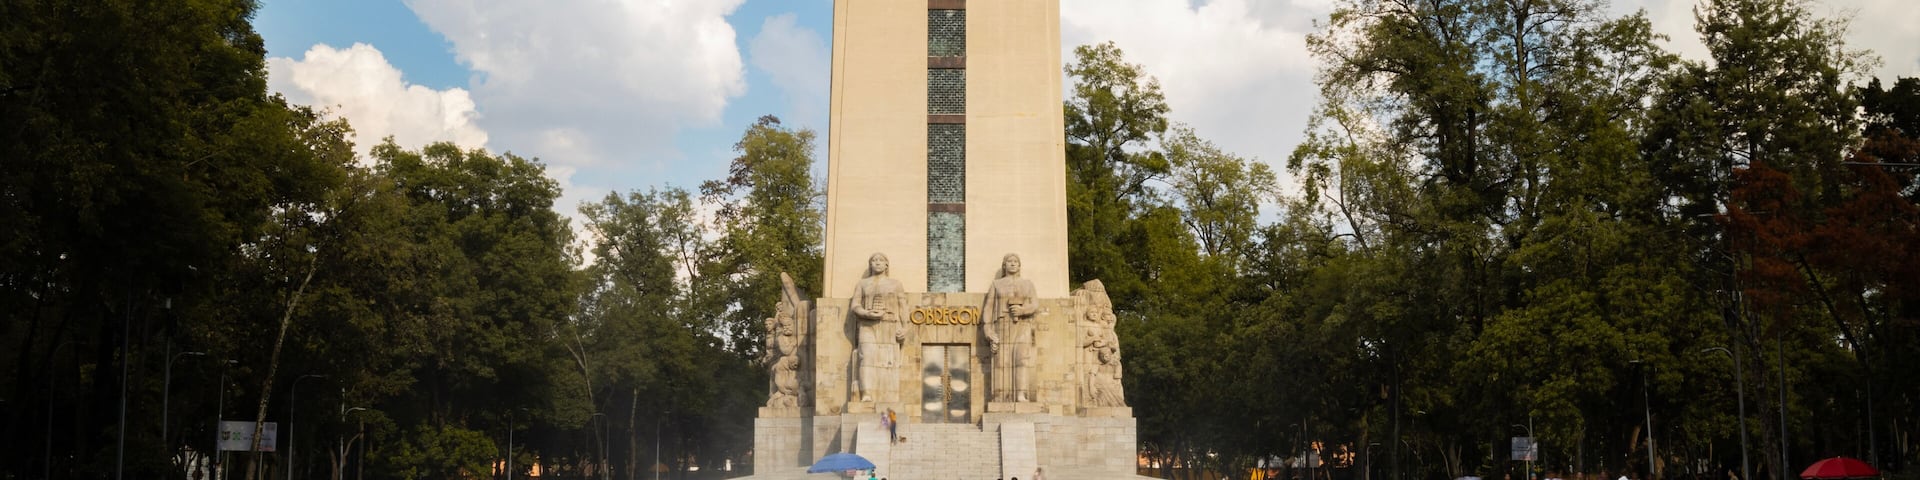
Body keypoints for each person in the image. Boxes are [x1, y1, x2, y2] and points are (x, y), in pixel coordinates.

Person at [982, 253, 1039, 402]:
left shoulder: (1028, 284)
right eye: (1009, 261)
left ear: (1019, 266)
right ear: (1004, 265)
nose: (1013, 264)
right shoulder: (996, 284)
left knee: (1022, 359)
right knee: (1002, 360)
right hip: (1002, 324)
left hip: (1023, 324)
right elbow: (988, 308)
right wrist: (988, 330)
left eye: (1015, 262)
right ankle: (1001, 396)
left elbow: (1035, 304)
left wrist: (1023, 310)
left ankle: (1020, 394)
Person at [851, 253, 906, 402]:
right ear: (870, 265)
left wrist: (905, 328)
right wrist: (867, 313)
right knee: (866, 357)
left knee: (888, 360)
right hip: (867, 325)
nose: (877, 263)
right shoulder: (862, 284)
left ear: (886, 265)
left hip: (889, 324)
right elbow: (855, 305)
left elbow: (902, 307)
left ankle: (888, 396)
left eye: (881, 260)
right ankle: (866, 393)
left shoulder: (896, 284)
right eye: (874, 260)